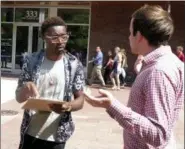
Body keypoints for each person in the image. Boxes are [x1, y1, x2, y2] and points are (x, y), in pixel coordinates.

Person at [84, 5, 184, 149]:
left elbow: (158, 135)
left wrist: (112, 105)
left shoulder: (158, 71)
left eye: (131, 32)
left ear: (140, 36)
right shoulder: (168, 63)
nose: (129, 37)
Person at [15, 17, 85, 149]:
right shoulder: (31, 61)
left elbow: (80, 99)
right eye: (54, 37)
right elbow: (19, 98)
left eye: (64, 37)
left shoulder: (74, 64)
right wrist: (26, 87)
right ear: (44, 37)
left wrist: (68, 106)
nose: (60, 42)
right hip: (31, 134)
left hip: (57, 137)